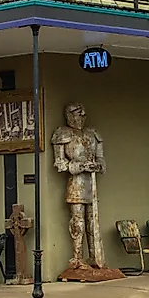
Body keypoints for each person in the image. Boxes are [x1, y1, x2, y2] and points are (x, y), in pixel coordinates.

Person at [51, 102, 105, 268]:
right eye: (77, 114)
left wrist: (97, 165)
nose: (81, 117)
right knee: (78, 221)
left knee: (92, 221)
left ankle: (94, 257)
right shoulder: (63, 134)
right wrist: (79, 166)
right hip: (76, 184)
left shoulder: (92, 133)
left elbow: (101, 160)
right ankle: (77, 258)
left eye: (83, 115)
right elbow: (60, 163)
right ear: (69, 115)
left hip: (91, 183)